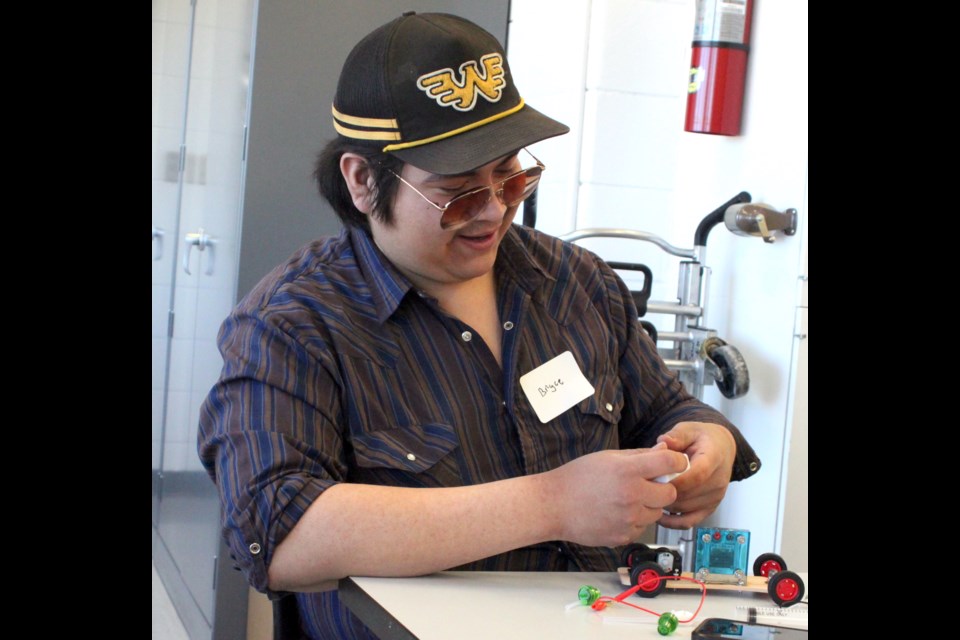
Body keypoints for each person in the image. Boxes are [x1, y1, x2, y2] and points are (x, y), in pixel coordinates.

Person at [198, 11, 761, 639]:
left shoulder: (578, 283)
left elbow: (664, 409)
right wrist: (551, 504)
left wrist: (709, 442)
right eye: (459, 192)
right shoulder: (293, 325)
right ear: (362, 181)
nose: (494, 210)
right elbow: (275, 535)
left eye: (511, 175)